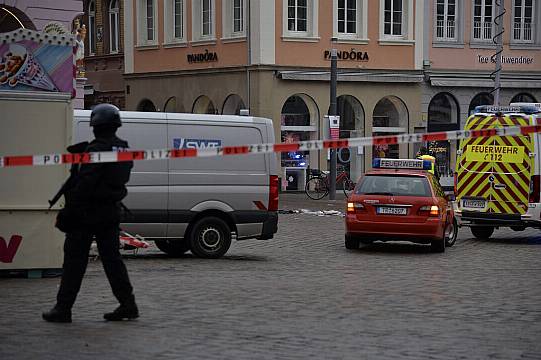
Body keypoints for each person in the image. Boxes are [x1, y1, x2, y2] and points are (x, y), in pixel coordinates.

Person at [43, 104, 138, 323]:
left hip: (87, 214)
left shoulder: (96, 150)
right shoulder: (123, 149)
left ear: (95, 126)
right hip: (110, 212)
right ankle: (128, 304)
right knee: (113, 261)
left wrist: (68, 212)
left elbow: (85, 184)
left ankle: (63, 308)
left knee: (74, 262)